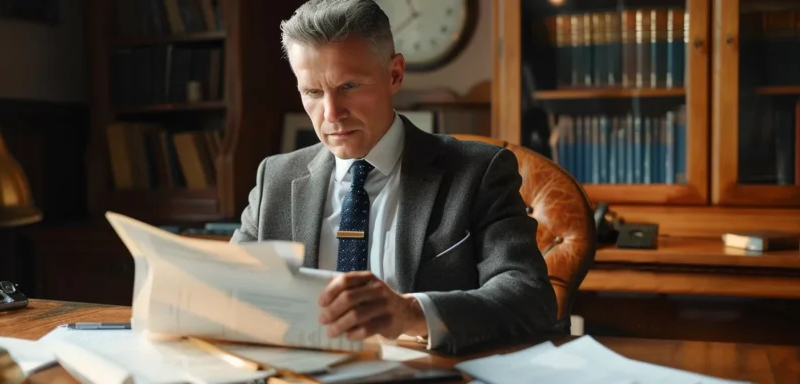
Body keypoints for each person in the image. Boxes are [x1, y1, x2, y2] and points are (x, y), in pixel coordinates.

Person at [230, 0, 558, 355]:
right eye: (312, 92)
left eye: (349, 86)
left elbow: (530, 297)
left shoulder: (477, 172)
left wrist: (411, 313)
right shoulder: (275, 178)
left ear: (395, 74)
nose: (331, 114)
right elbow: (227, 290)